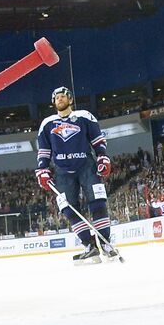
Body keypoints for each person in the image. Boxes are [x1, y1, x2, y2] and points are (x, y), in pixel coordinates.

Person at [35, 86, 115, 262]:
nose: (60, 99)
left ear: (70, 99)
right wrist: (43, 170)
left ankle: (106, 244)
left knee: (98, 203)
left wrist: (102, 157)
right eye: (57, 98)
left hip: (86, 166)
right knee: (69, 209)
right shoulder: (47, 123)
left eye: (63, 96)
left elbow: (98, 140)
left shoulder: (85, 116)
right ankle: (89, 245)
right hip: (62, 171)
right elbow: (44, 150)